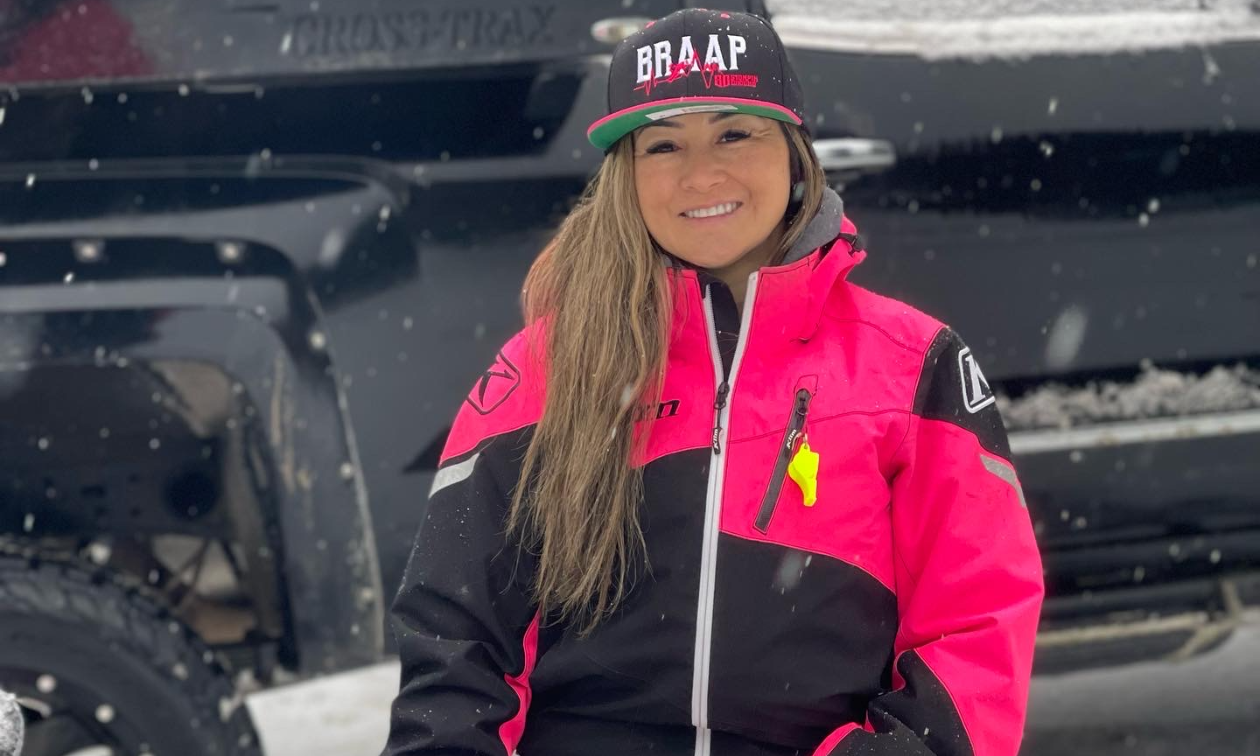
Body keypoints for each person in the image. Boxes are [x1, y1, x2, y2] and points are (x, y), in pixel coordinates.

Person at [382, 9, 1044, 756]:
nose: (702, 174)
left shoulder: (913, 364)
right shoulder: (543, 367)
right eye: (663, 144)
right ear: (626, 172)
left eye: (735, 133)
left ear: (795, 152)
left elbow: (977, 622)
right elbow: (455, 637)